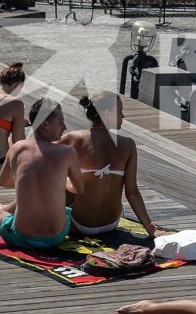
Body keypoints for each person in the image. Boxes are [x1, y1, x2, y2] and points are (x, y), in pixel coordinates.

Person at [0, 100, 79, 252]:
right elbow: (79, 188)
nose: (64, 127)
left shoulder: (17, 148)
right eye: (61, 122)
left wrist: (27, 180)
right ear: (46, 125)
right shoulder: (67, 152)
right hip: (56, 237)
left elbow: (4, 182)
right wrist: (56, 182)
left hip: (21, 238)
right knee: (59, 190)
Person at [62, 91, 156, 237]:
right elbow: (132, 193)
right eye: (119, 111)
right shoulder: (128, 145)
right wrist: (150, 228)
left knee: (64, 177)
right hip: (111, 223)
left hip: (78, 223)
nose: (123, 116)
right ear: (106, 114)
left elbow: (40, 151)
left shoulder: (74, 138)